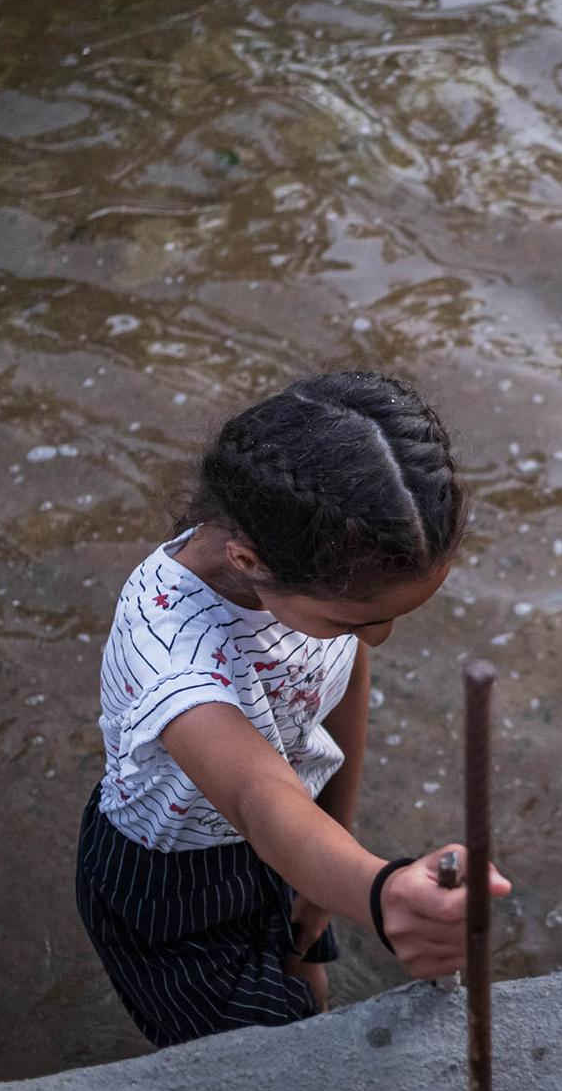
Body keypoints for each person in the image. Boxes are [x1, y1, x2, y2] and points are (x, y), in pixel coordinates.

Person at [75, 371, 510, 1047]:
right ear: (247, 560)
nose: (375, 638)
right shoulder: (172, 654)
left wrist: (332, 867)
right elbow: (256, 795)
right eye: (353, 621)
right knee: (260, 1056)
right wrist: (380, 890)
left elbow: (340, 685)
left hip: (302, 842)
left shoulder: (312, 586)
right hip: (173, 884)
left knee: (309, 988)